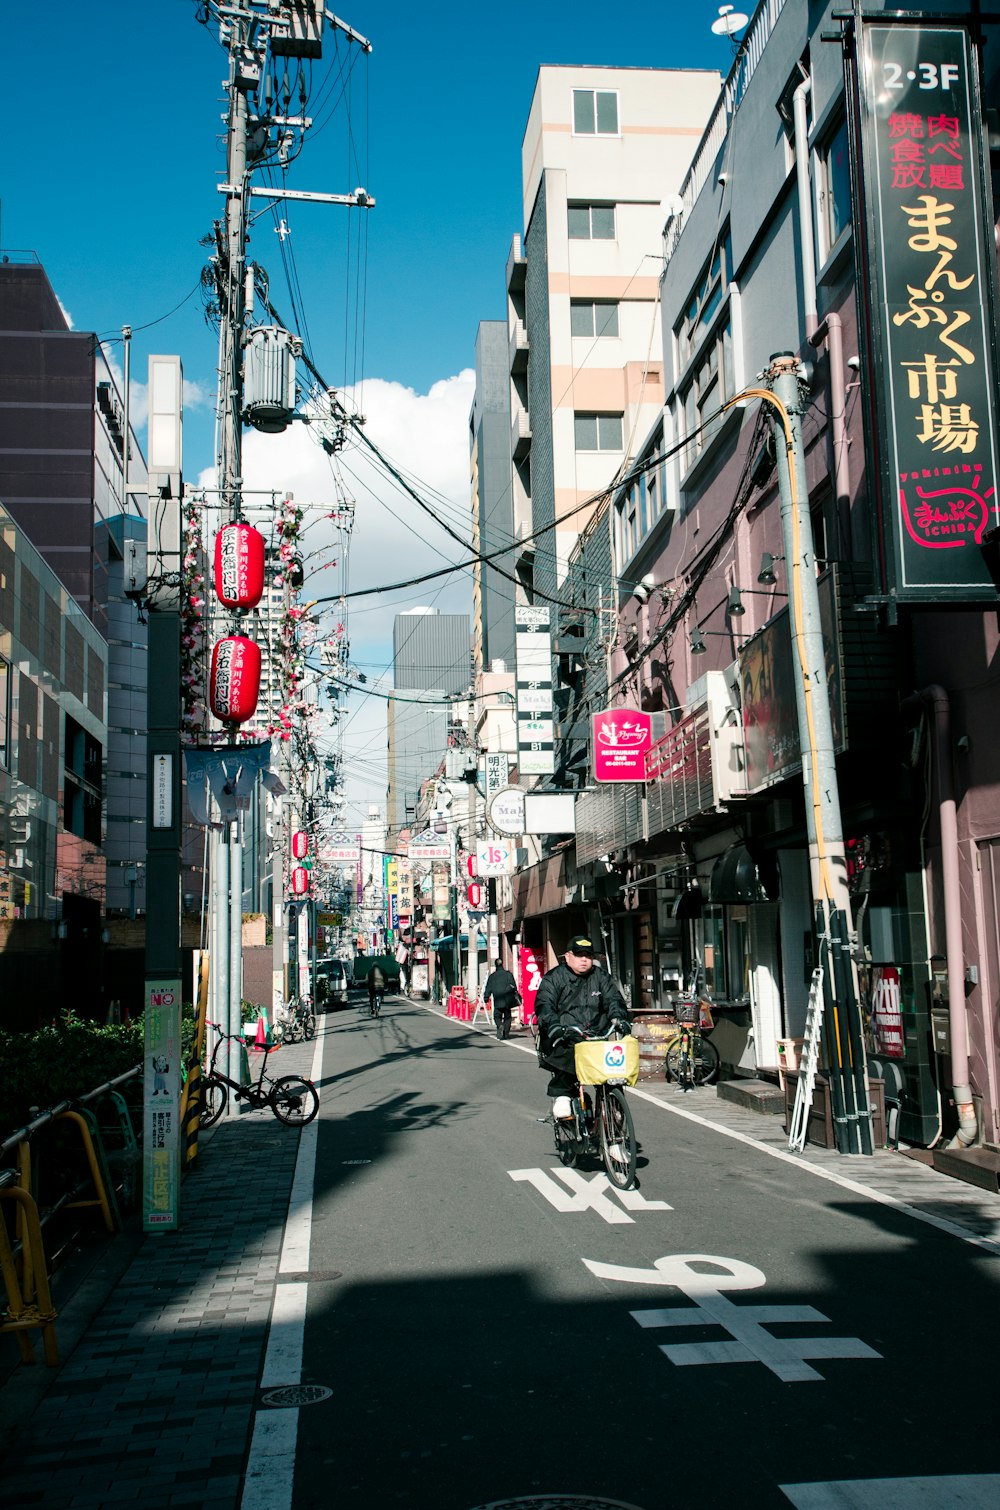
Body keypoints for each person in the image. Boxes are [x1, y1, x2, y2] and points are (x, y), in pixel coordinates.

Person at [534, 933, 631, 1104]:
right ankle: (563, 1100)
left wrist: (619, 1018)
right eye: (579, 955)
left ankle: (615, 1108)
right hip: (565, 1037)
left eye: (588, 955)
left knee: (613, 1069)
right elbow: (544, 1005)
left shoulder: (601, 976)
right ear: (568, 956)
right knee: (568, 1062)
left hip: (597, 1036)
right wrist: (554, 1026)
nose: (584, 960)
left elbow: (614, 999)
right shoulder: (554, 978)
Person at [482, 957, 520, 1040]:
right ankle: (506, 1034)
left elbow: (488, 988)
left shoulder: (492, 976)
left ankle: (500, 1025)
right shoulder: (508, 974)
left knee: (497, 1016)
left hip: (497, 1000)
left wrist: (486, 997)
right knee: (508, 1017)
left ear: (495, 965)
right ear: (502, 964)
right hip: (507, 1000)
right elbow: (514, 986)